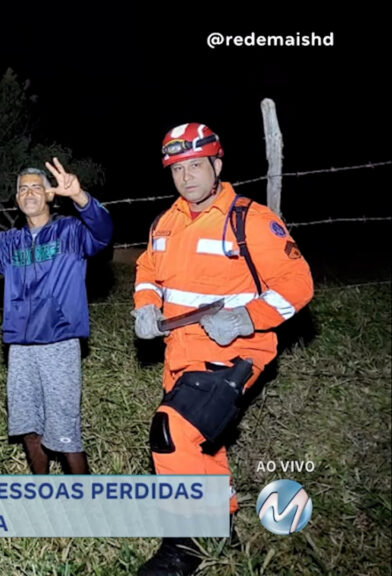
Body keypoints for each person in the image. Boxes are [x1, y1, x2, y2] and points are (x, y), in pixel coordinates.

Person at [133, 122, 314, 575]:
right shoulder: (165, 223)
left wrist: (247, 318)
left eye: (196, 165)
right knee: (204, 445)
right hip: (181, 351)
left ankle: (185, 548)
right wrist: (145, 306)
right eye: (177, 169)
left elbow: (298, 283)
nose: (187, 176)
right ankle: (221, 529)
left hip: (237, 352)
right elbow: (146, 272)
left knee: (171, 433)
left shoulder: (249, 219)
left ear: (216, 165)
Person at [0, 159, 112, 474]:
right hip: (19, 346)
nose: (29, 192)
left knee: (64, 433)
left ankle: (89, 509)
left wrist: (80, 197)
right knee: (28, 426)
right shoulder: (9, 243)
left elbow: (103, 233)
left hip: (59, 342)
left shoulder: (70, 232)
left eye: (37, 187)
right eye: (23, 188)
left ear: (49, 195)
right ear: (17, 198)